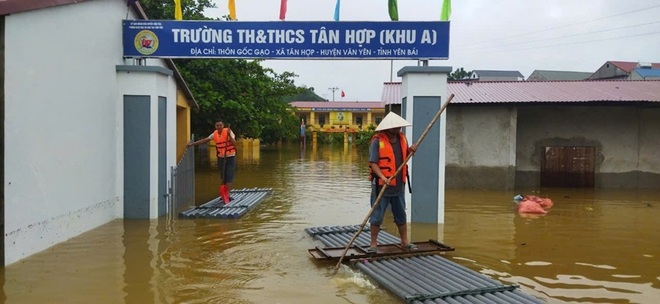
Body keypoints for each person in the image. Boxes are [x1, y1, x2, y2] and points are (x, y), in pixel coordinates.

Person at [367, 112, 418, 253]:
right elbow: (373, 163)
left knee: (401, 214)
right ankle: (373, 244)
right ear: (388, 128)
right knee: (377, 215)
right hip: (381, 186)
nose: (398, 129)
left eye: (399, 127)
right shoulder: (377, 141)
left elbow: (403, 157)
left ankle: (404, 242)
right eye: (395, 127)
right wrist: (383, 178)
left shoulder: (403, 139)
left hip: (398, 185)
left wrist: (410, 151)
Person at [187, 120, 238, 195]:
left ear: (223, 125)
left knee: (229, 175)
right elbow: (204, 140)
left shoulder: (228, 131)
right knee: (223, 175)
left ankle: (227, 193)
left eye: (220, 125)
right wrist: (192, 144)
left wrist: (229, 136)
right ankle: (223, 192)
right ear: (215, 126)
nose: (219, 127)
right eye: (217, 125)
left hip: (230, 156)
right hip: (221, 157)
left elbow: (235, 144)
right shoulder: (214, 134)